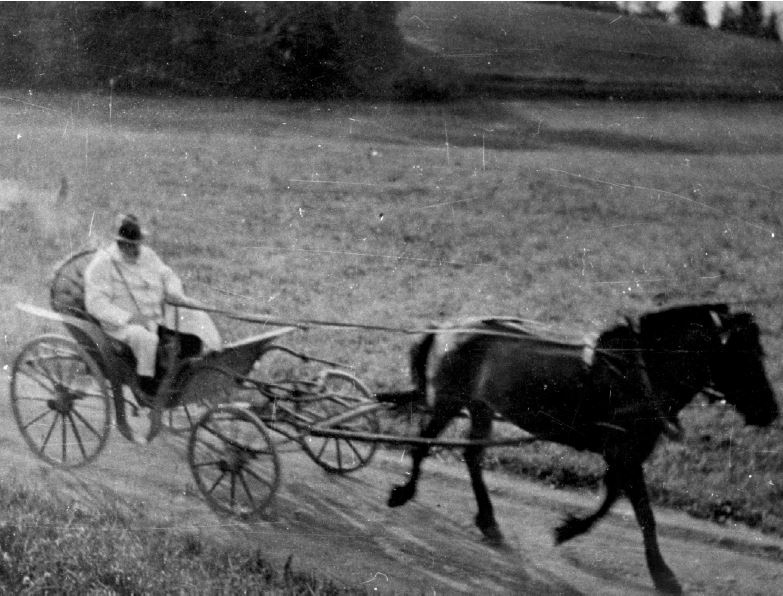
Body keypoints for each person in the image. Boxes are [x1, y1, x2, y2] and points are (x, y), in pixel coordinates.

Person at [84, 214, 219, 396]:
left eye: (138, 244)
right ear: (120, 244)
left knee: (196, 316)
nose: (136, 249)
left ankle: (191, 370)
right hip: (121, 326)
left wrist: (174, 292)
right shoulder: (102, 264)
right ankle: (148, 386)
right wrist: (130, 318)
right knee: (145, 338)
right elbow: (96, 304)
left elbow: (166, 274)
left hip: (156, 316)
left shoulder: (146, 255)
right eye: (131, 245)